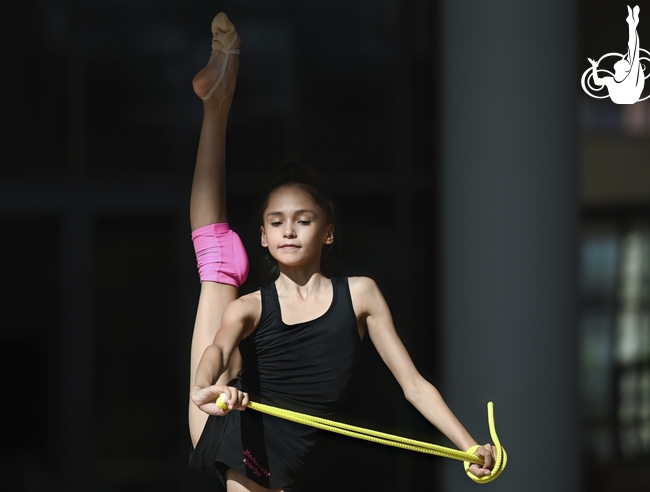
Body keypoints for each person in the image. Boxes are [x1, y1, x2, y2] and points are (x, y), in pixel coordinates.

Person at [187, 12, 496, 492]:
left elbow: (413, 385)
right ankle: (217, 102)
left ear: (328, 233)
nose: (289, 231)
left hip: (287, 459)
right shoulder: (249, 307)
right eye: (276, 223)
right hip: (233, 427)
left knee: (217, 262)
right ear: (264, 237)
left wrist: (467, 444)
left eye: (303, 221)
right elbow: (217, 350)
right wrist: (208, 389)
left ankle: (220, 93)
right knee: (215, 265)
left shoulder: (362, 295)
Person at [588, 5, 644, 104]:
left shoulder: (625, 78)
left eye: (623, 61)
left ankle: (632, 23)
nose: (621, 59)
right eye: (624, 61)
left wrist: (594, 67)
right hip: (626, 97)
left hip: (628, 96)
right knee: (633, 51)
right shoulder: (612, 80)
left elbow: (634, 49)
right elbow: (597, 82)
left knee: (633, 50)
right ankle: (632, 23)